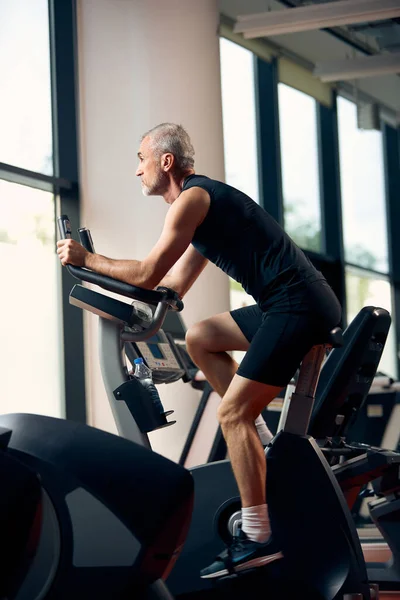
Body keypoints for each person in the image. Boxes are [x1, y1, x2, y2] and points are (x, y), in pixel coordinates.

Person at [57, 122, 342, 578]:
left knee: (232, 415)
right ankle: (263, 446)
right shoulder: (204, 208)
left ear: (165, 162)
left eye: (141, 159)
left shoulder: (193, 198)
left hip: (296, 307)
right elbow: (170, 285)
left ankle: (255, 536)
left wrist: (87, 259)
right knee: (200, 337)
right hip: (291, 304)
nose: (137, 171)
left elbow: (149, 272)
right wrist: (110, 285)